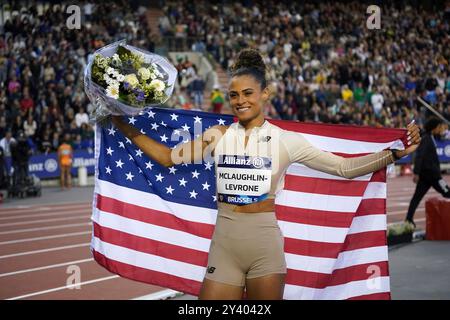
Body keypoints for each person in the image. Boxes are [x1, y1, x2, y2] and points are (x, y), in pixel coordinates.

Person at [111, 49, 421, 300]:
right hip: (225, 244)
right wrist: (122, 124)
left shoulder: (287, 141)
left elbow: (343, 167)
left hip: (264, 247)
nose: (241, 101)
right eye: (234, 95)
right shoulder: (217, 135)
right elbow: (167, 157)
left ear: (265, 94)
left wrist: (392, 154)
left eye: (248, 93)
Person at [405, 117, 450, 228]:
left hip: (428, 176)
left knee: (416, 198)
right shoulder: (426, 139)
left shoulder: (431, 137)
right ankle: (408, 219)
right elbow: (419, 156)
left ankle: (409, 219)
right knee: (447, 192)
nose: (441, 129)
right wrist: (416, 173)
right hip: (433, 176)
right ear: (434, 128)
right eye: (439, 127)